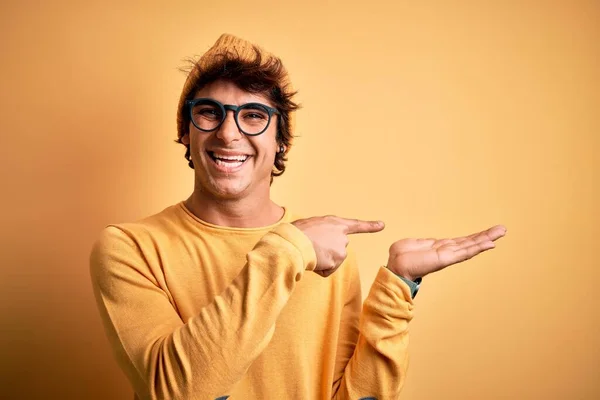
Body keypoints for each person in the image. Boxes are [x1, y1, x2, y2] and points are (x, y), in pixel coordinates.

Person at [89, 33, 506, 400]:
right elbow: (181, 394)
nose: (229, 133)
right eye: (209, 112)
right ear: (186, 131)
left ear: (281, 143)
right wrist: (288, 250)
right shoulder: (129, 248)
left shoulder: (327, 252)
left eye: (253, 116)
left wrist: (399, 288)